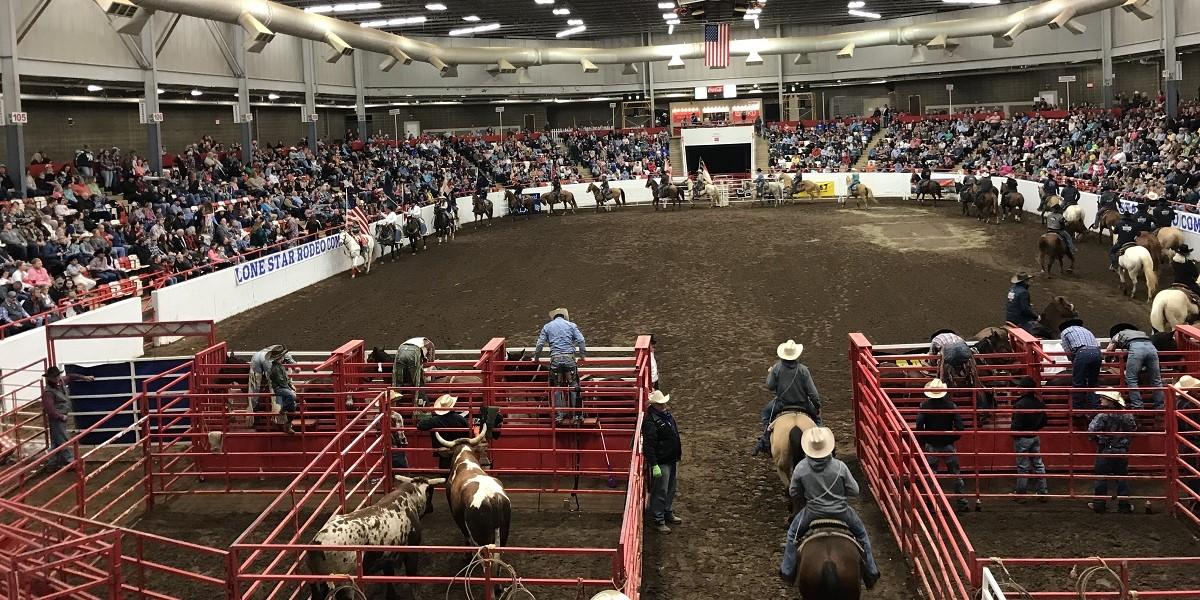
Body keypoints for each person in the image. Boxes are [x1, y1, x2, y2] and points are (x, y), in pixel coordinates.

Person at [780, 427, 880, 589]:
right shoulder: (840, 466)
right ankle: (871, 571)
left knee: (792, 534)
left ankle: (787, 571)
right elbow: (855, 490)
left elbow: (793, 492)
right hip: (842, 512)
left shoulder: (801, 468)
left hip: (812, 513)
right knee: (862, 534)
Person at [753, 339, 822, 456]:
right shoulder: (803, 370)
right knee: (818, 420)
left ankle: (765, 440)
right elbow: (813, 393)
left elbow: (770, 386)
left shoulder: (777, 368)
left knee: (766, 414)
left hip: (781, 404)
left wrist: (771, 373)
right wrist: (817, 406)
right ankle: (822, 441)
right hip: (803, 404)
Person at [915, 379, 969, 512]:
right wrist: (952, 437)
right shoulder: (951, 406)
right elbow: (960, 427)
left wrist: (925, 440)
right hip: (948, 445)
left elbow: (919, 426)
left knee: (932, 475)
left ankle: (932, 503)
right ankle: (961, 502)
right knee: (955, 474)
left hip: (932, 445)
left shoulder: (924, 406)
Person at [533, 308, 586, 424]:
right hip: (569, 358)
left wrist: (536, 358)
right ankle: (576, 415)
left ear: (554, 317)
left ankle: (559, 416)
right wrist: (582, 356)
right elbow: (581, 340)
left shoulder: (547, 327)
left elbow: (540, 344)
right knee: (573, 385)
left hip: (555, 359)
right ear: (564, 316)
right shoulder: (571, 325)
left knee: (557, 387)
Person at [1088, 390, 1137, 513]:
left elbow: (1091, 430)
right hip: (1121, 450)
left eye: (1103, 398)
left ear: (1109, 401)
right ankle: (1124, 505)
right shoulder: (1127, 415)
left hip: (1105, 450)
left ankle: (1099, 505)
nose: (1101, 400)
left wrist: (1098, 438)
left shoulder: (1102, 416)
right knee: (1122, 478)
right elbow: (1133, 429)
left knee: (1101, 477)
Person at [642, 390, 681, 533]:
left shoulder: (664, 416)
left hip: (670, 458)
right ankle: (659, 519)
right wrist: (654, 464)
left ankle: (667, 512)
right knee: (661, 490)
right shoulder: (651, 421)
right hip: (662, 461)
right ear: (655, 405)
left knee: (670, 488)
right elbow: (649, 445)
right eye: (661, 403)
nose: (664, 404)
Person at [41, 366, 95, 470]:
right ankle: (70, 460)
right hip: (58, 418)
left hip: (61, 416)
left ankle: (53, 462)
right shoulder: (48, 392)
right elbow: (50, 410)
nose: (57, 378)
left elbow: (70, 377)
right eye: (55, 377)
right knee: (62, 439)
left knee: (57, 440)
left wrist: (84, 377)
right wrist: (61, 416)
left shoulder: (58, 384)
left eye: (57, 376)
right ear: (50, 378)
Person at [1107, 324, 1164, 409]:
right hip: (1152, 349)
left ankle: (1137, 406)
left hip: (1136, 349)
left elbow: (1109, 349)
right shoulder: (1141, 333)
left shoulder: (1118, 335)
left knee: (1131, 378)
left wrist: (1108, 360)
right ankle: (1160, 406)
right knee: (1156, 379)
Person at [1010, 376, 1049, 499]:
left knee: (1023, 466)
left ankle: (1021, 494)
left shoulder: (1020, 404)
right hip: (1034, 435)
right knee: (1038, 464)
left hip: (1022, 437)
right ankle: (1042, 492)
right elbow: (1044, 421)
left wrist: (1014, 433)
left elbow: (1016, 424)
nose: (1018, 388)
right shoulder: (1039, 403)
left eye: (1020, 386)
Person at [249, 344, 298, 433]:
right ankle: (279, 419)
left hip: (256, 357)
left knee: (254, 387)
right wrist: (290, 385)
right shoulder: (281, 362)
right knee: (277, 391)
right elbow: (295, 368)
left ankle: (253, 416)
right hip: (278, 383)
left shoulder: (268, 354)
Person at [417, 394, 471, 471]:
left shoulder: (435, 420)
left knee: (444, 471)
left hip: (443, 452)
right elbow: (468, 433)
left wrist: (427, 414)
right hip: (459, 451)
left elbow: (420, 425)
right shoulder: (461, 419)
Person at [1060, 318, 1102, 410]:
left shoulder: (1065, 332)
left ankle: (1078, 408)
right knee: (1093, 382)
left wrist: (1074, 362)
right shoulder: (1087, 331)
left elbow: (1068, 351)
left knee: (1078, 382)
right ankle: (1095, 406)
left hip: (1082, 352)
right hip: (1097, 352)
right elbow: (1097, 345)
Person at [393, 337, 436, 406]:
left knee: (397, 381)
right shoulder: (430, 344)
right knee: (417, 382)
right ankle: (419, 406)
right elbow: (430, 361)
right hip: (414, 352)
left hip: (400, 350)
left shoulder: (411, 341)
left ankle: (394, 405)